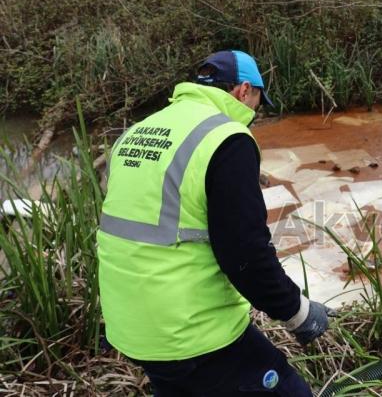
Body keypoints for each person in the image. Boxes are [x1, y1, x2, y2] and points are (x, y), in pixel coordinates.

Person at [97, 50, 332, 396]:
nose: (254, 113)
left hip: (130, 327)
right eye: (257, 102)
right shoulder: (226, 138)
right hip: (188, 332)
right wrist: (298, 313)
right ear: (243, 90)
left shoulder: (137, 133)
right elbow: (246, 256)